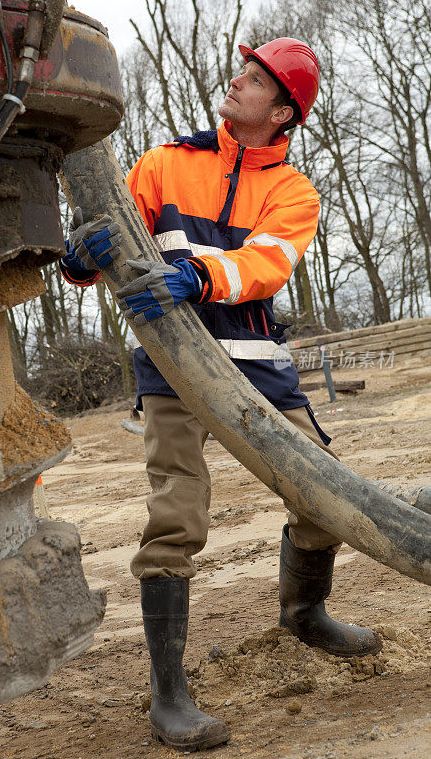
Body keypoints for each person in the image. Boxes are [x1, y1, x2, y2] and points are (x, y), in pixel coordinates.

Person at [59, 38, 382, 752]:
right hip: (172, 369)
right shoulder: (163, 164)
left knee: (323, 497)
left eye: (255, 80)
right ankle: (168, 695)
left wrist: (196, 277)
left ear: (284, 111)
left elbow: (264, 265)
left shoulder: (292, 192)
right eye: (241, 72)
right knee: (175, 518)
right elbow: (103, 235)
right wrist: (80, 260)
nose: (235, 83)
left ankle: (305, 613)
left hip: (258, 369)